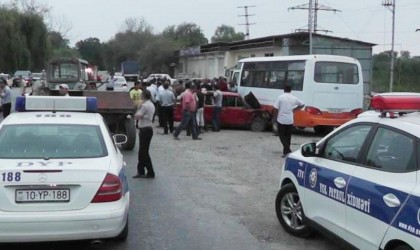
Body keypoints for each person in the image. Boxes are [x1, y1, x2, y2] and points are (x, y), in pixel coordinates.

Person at [272, 84, 304, 158]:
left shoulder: (280, 97)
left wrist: (274, 117)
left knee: (281, 135)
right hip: (290, 119)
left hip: (281, 119)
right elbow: (302, 104)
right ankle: (286, 153)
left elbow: (276, 108)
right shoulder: (294, 98)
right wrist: (295, 109)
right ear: (290, 90)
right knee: (288, 136)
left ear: (284, 89)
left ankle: (288, 150)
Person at [133, 89, 156, 179]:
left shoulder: (144, 105)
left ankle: (150, 172)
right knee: (142, 151)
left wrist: (137, 110)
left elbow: (137, 116)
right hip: (148, 129)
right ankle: (141, 170)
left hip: (145, 129)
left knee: (143, 152)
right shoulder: (151, 104)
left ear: (143, 96)